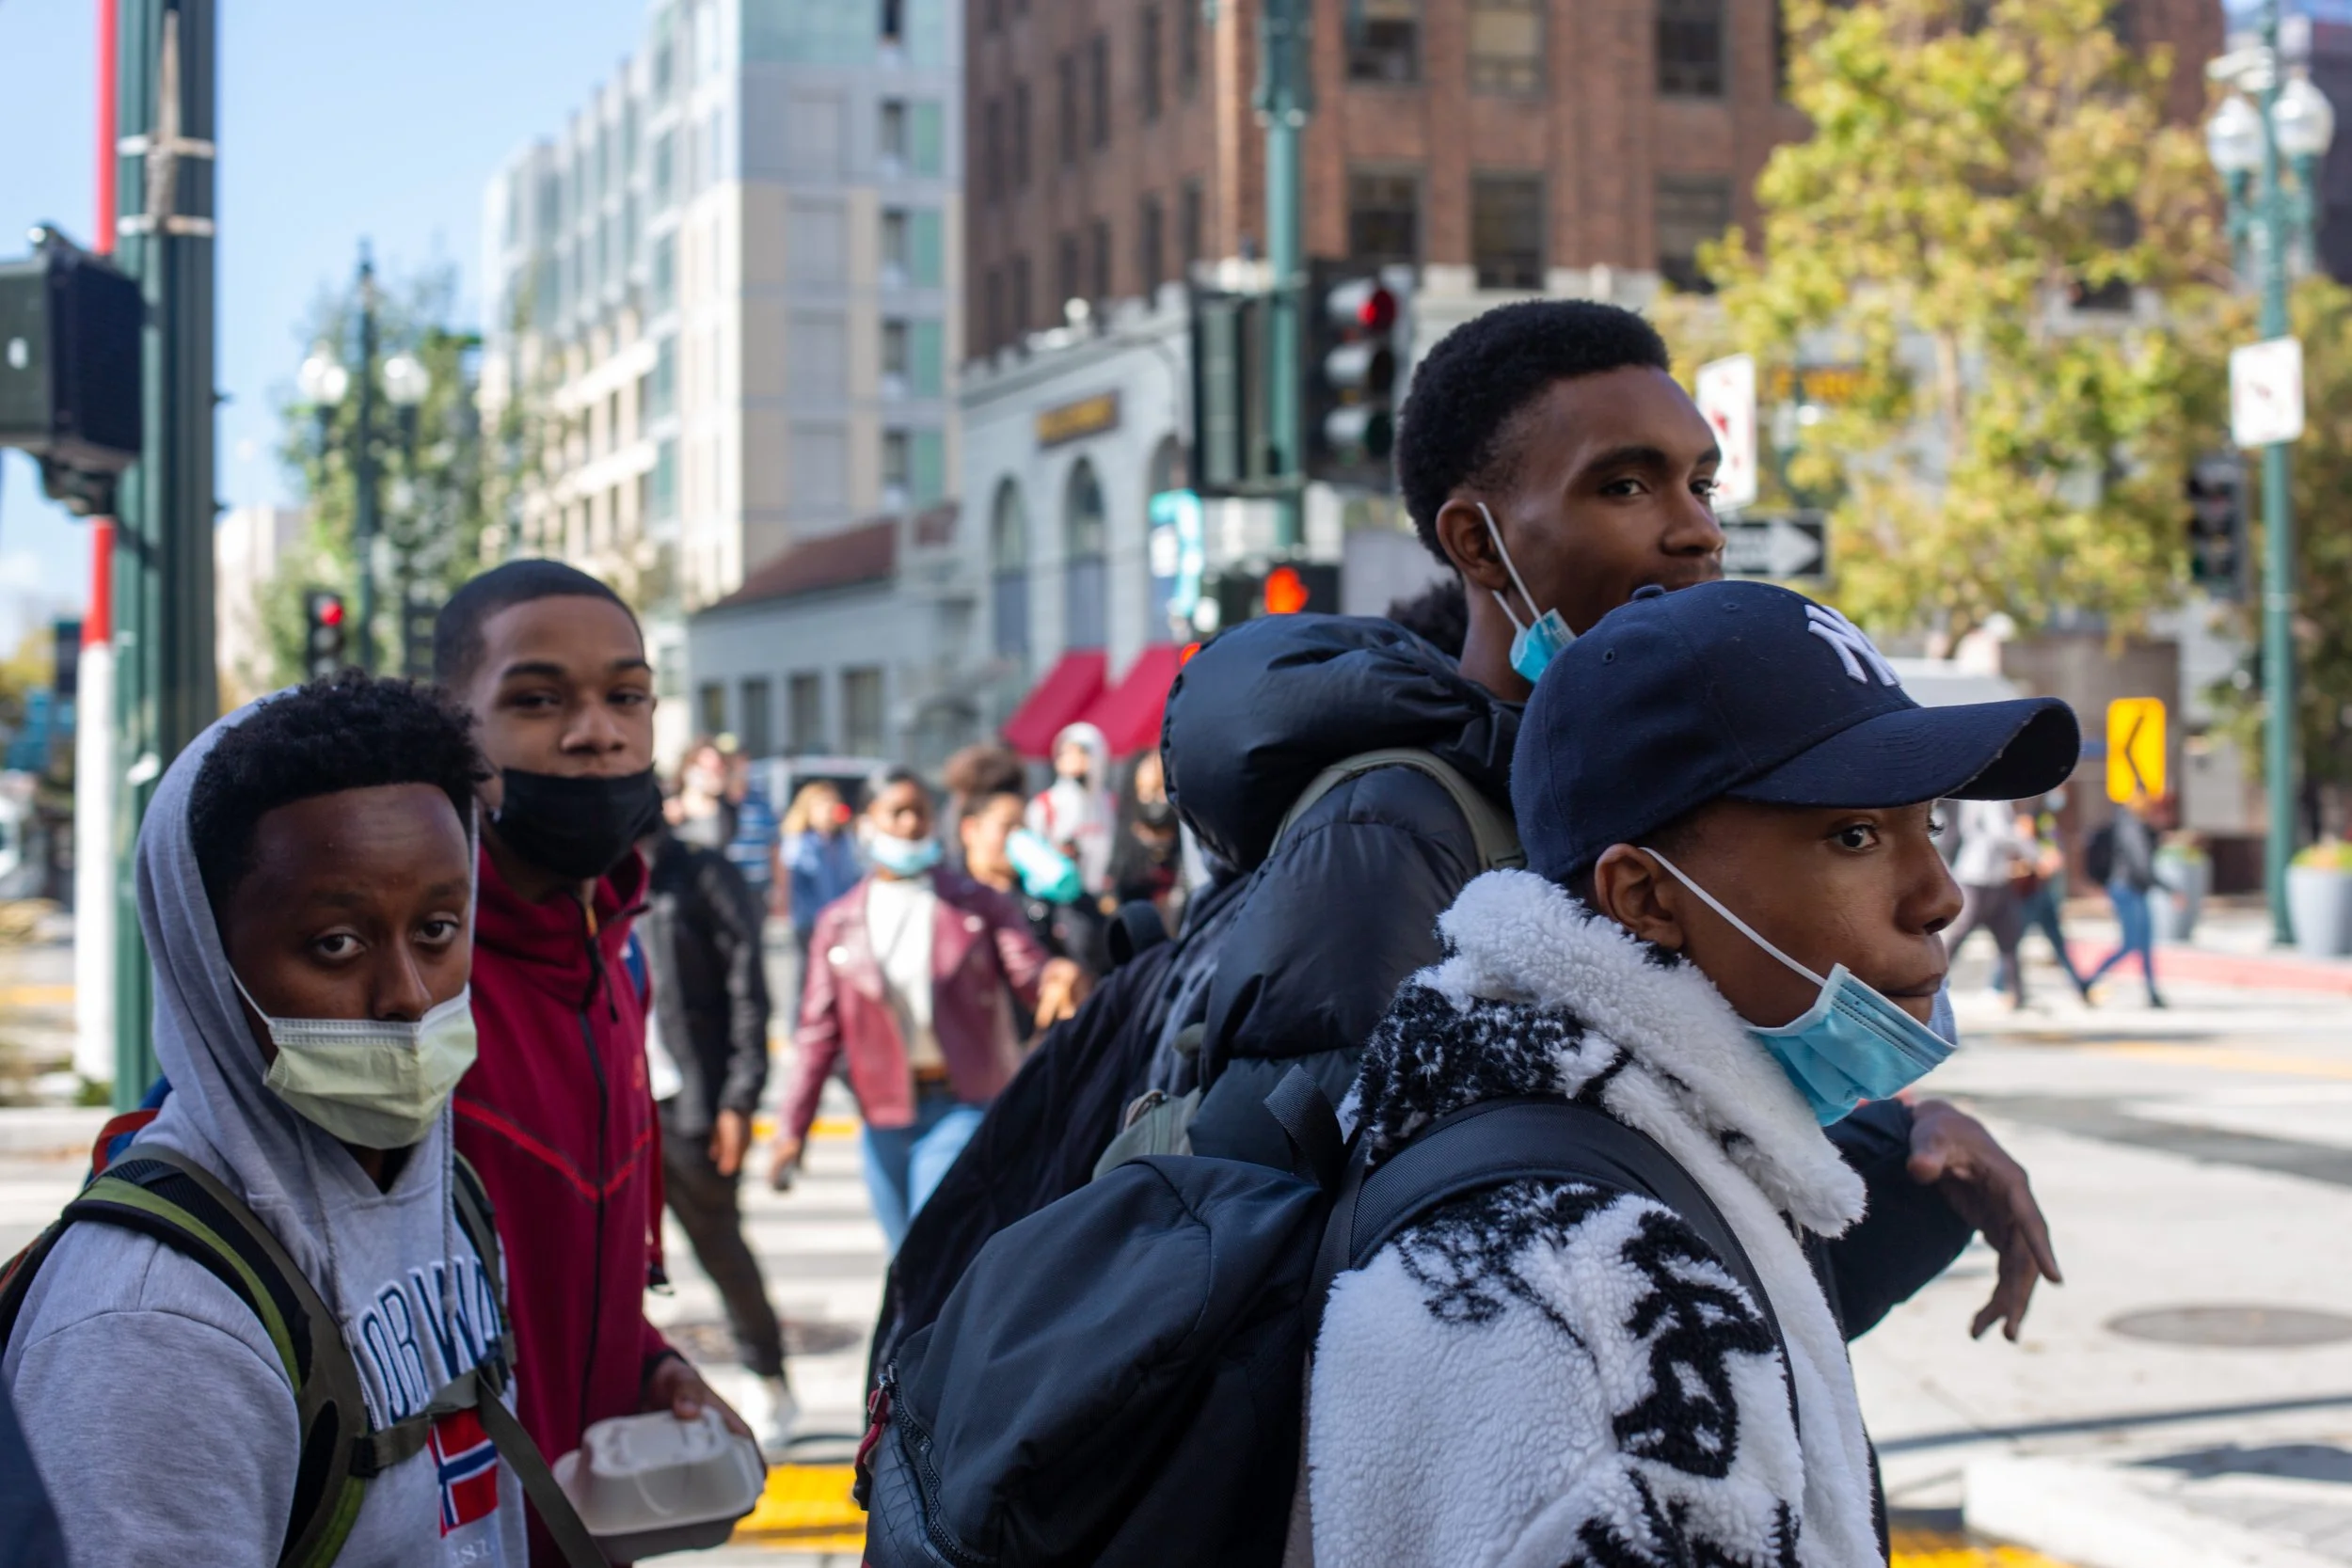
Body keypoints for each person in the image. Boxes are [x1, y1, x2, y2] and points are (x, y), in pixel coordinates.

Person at [1161, 298, 2058, 1337]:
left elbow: (1685, 1178)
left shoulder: (1654, 788)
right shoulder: (1396, 829)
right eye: (1625, 485)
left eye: (1702, 483)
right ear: (1477, 542)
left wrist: (1897, 1162)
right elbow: (1449, 1289)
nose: (1697, 529)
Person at [1303, 581, 2080, 1566]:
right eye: (1853, 835)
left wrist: (1898, 1165)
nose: (1938, 894)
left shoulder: (1599, 1138)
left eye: (1924, 824)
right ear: (1644, 895)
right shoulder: (1581, 1301)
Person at [3, 674, 532, 1563]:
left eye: (439, 929)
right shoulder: (155, 1326)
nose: (406, 994)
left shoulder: (445, 1192)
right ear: (208, 960)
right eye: (336, 943)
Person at [434, 561, 748, 1563]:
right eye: (537, 699)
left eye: (626, 696)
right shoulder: (410, 979)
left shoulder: (616, 953)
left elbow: (561, 1261)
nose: (596, 731)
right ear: (455, 723)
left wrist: (650, 1363)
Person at [773, 771, 1086, 1248]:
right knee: (904, 1261)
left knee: (935, 1246)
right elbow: (817, 1033)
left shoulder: (976, 904)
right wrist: (791, 1130)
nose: (910, 823)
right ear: (867, 822)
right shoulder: (838, 923)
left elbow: (1029, 971)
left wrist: (1057, 977)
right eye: (896, 811)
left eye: (920, 811)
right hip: (883, 1115)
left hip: (962, 1104)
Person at [639, 816, 795, 1450]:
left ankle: (769, 1374)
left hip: (689, 1101)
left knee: (720, 1246)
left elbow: (748, 989)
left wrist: (738, 1099)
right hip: (617, 1105)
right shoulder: (569, 873)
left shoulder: (699, 872)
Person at [1944, 795, 2034, 1007]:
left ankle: (2017, 995)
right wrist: (2034, 854)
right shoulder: (1986, 796)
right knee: (1959, 934)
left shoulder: (1992, 797)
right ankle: (1931, 984)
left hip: (1996, 877)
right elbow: (2000, 833)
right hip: (1977, 877)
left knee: (2009, 936)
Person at [780, 780, 863, 996]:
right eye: (821, 805)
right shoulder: (799, 842)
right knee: (806, 980)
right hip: (810, 922)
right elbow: (797, 884)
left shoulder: (844, 841)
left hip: (842, 920)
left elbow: (853, 877)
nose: (827, 811)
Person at [2086, 792, 2168, 1007]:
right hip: (2127, 890)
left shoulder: (2132, 825)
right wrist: (2166, 887)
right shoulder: (2132, 827)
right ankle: (2090, 979)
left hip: (2135, 889)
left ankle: (2152, 991)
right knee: (2131, 943)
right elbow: (2141, 864)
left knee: (2145, 944)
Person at [2011, 797, 2092, 1001]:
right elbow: (2023, 845)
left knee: (2056, 940)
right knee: (2014, 939)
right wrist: (2040, 860)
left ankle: (2080, 986)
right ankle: (2000, 983)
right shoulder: (2030, 816)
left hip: (2044, 889)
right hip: (2033, 889)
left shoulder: (2046, 818)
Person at [1027, 721, 1114, 898]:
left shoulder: (1108, 802)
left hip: (1099, 894)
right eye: (1066, 753)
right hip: (1057, 895)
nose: (1074, 760)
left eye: (1082, 753)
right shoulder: (1046, 804)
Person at [720, 746, 781, 908]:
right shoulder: (719, 801)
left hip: (758, 883)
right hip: (726, 882)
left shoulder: (761, 799)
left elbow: (773, 844)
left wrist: (778, 887)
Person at [671, 736, 736, 851]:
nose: (714, 777)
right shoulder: (670, 808)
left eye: (718, 771)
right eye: (707, 771)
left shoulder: (727, 810)